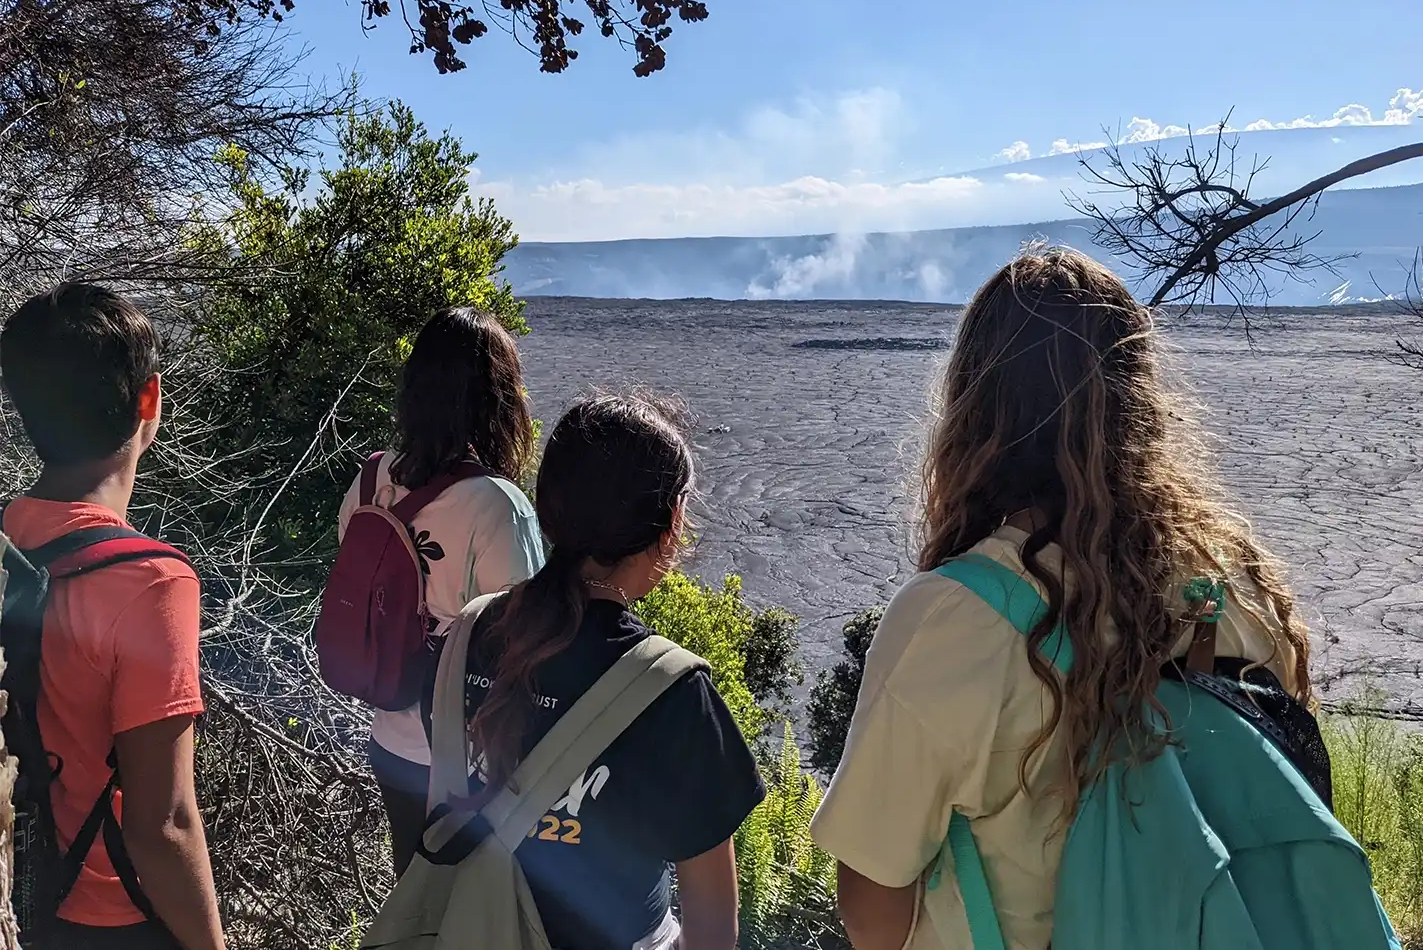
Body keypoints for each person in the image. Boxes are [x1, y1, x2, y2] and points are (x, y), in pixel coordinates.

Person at [810, 248, 1313, 950]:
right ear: (1136, 402)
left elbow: (872, 910)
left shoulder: (953, 620)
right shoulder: (1231, 586)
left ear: (974, 411)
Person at [450, 392, 765, 950]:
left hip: (470, 928)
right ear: (669, 526)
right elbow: (713, 924)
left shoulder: (470, 632)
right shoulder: (671, 689)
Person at [0, 284, 225, 950]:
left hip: (21, 891)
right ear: (148, 399)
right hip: (110, 914)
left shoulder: (9, 535)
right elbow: (163, 826)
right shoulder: (153, 583)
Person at [337, 306, 545, 877]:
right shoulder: (497, 505)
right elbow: (533, 636)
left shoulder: (372, 478)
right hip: (465, 765)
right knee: (473, 913)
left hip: (388, 739)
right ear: (498, 401)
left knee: (413, 899)